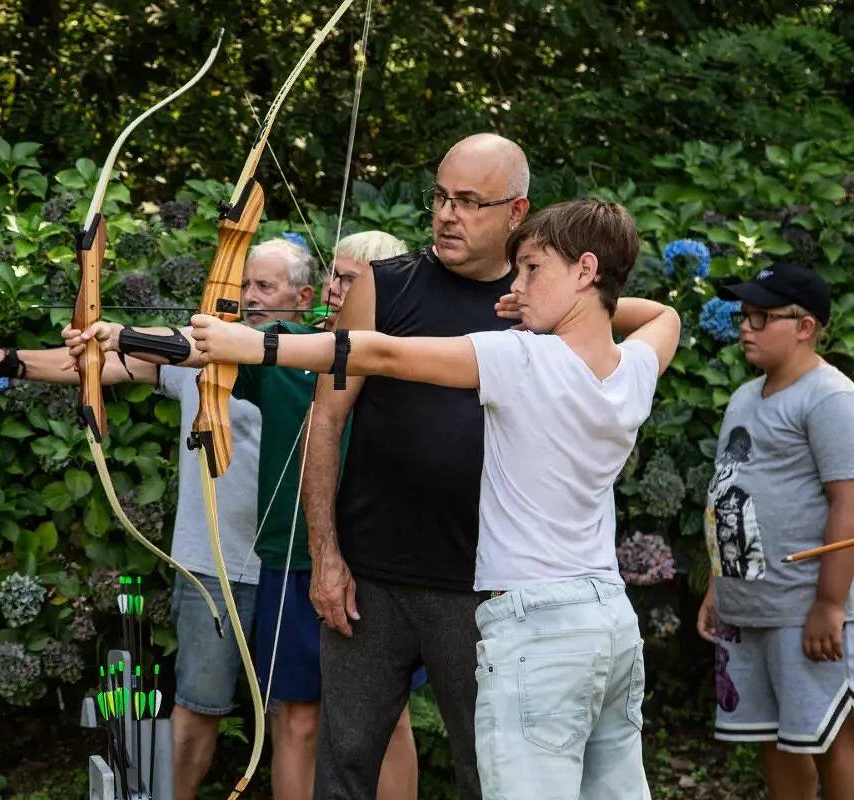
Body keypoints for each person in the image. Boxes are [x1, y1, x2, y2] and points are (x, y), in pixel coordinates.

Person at [189, 198, 680, 800]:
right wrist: (571, 307)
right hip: (608, 620)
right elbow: (663, 314)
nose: (517, 287)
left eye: (531, 271)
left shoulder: (521, 356)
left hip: (537, 631)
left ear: (584, 270)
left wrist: (256, 345)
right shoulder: (631, 367)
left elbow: (379, 351)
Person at [67, 232, 422, 800]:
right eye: (333, 275)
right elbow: (206, 347)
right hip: (292, 559)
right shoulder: (290, 350)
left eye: (350, 280)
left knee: (390, 720)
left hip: (378, 564)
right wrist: (122, 336)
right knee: (296, 719)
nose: (334, 288)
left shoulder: (408, 358)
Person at [0, 238, 315, 798]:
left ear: (304, 298)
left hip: (290, 566)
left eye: (264, 287)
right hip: (210, 565)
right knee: (197, 710)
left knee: (296, 723)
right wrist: (12, 362)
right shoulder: (193, 356)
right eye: (243, 284)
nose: (249, 297)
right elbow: (101, 365)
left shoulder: (312, 360)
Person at [299, 133, 531, 799]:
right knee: (342, 768)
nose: (446, 215)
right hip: (370, 581)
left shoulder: (537, 302)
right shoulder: (384, 285)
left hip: (487, 585)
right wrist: (325, 555)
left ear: (517, 212)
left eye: (468, 202)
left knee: (488, 775)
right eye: (440, 197)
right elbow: (328, 417)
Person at [695, 264, 854, 800]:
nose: (746, 327)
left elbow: (848, 504)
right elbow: (729, 492)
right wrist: (719, 588)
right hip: (749, 607)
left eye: (762, 317)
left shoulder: (829, 397)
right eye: (745, 316)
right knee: (776, 740)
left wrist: (830, 604)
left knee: (832, 736)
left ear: (804, 326)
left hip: (803, 609)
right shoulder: (743, 397)